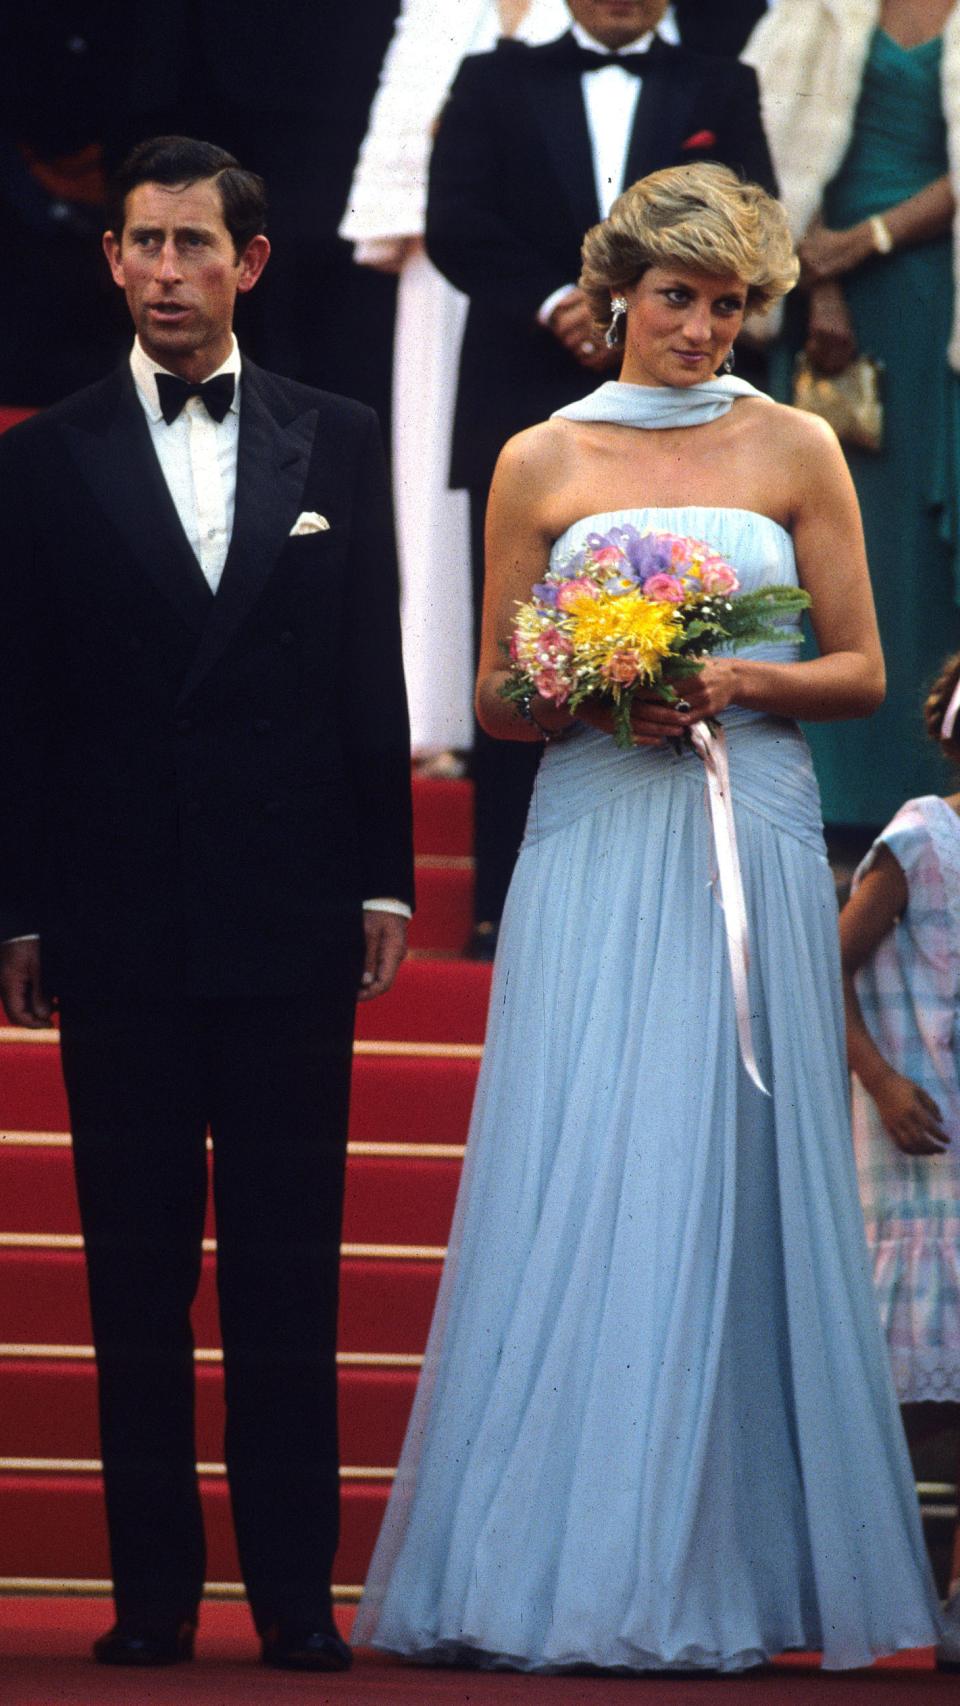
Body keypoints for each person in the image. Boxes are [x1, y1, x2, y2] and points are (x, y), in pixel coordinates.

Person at [353, 163, 940, 1672]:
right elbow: (492, 691)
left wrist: (736, 679)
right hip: (598, 828)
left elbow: (868, 667)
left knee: (732, 1168)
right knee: (592, 1153)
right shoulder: (542, 458)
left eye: (730, 302)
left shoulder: (798, 441)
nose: (702, 327)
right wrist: (597, 682)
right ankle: (560, 1554)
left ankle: (736, 1562)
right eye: (677, 297)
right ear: (617, 294)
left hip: (748, 815)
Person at [0, 135, 414, 1672]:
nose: (164, 269)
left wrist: (386, 865)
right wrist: (20, 909)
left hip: (294, 907)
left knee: (291, 1268)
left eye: (193, 244)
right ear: (108, 259)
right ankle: (154, 1597)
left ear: (249, 262)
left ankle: (296, 1598)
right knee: (133, 1277)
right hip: (116, 923)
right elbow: (19, 706)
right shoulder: (42, 457)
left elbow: (367, 659)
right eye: (141, 242)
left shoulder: (341, 435)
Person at [426, 0, 777, 956]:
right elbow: (455, 221)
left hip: (691, 417)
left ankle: (707, 895)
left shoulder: (720, 84)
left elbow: (756, 225)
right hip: (527, 393)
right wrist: (562, 307)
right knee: (527, 642)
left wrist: (659, 321)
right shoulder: (495, 79)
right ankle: (506, 900)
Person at [746, 0, 960, 830]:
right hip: (824, 308)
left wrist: (867, 240)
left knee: (921, 555)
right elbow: (773, 157)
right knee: (834, 541)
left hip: (936, 298)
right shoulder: (811, 6)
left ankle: (929, 794)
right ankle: (830, 799)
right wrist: (821, 281)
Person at [340, 0, 569, 767]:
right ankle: (435, 709)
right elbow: (415, 140)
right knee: (432, 481)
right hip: (446, 267)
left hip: (558, 278)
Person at [839, 650, 960, 1667]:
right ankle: (891, 1589)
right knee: (918, 1391)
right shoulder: (921, 839)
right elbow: (820, 966)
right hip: (919, 1143)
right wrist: (879, 1078)